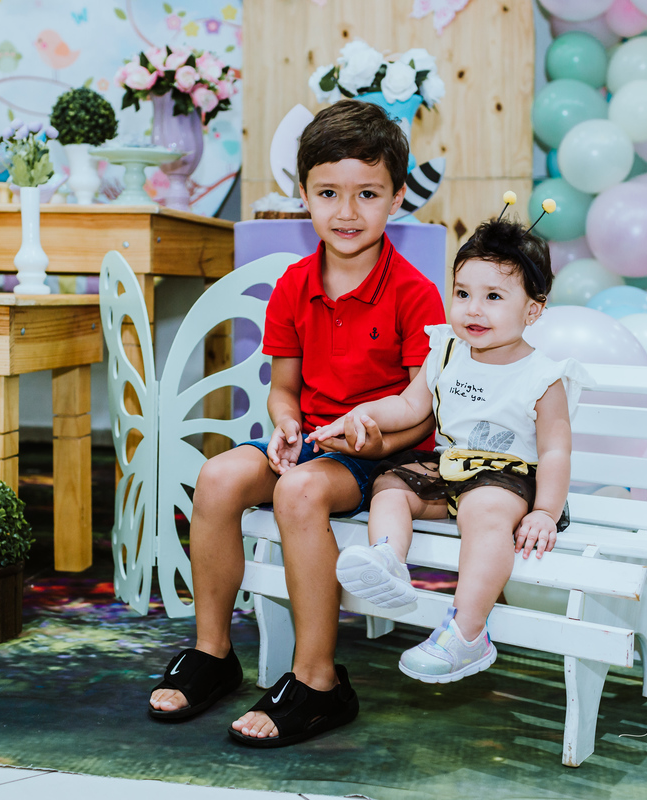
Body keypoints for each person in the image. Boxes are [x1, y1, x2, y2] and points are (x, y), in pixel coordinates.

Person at [147, 100, 445, 746]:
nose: (346, 212)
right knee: (221, 475)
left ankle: (318, 682)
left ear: (396, 197)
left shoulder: (415, 292)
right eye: (328, 193)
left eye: (367, 194)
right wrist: (284, 426)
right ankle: (213, 653)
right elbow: (285, 391)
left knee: (300, 490)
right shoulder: (293, 286)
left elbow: (422, 408)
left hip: (387, 457)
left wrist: (369, 433)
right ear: (303, 195)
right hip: (313, 442)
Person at [310, 211, 589, 683]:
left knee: (483, 511)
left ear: (533, 310)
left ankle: (467, 632)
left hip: (509, 478)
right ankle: (387, 558)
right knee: (391, 486)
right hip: (451, 466)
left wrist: (544, 511)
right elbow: (407, 403)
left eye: (493, 297)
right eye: (462, 294)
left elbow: (557, 452)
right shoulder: (444, 349)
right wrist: (362, 415)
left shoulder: (544, 378)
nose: (472, 309)